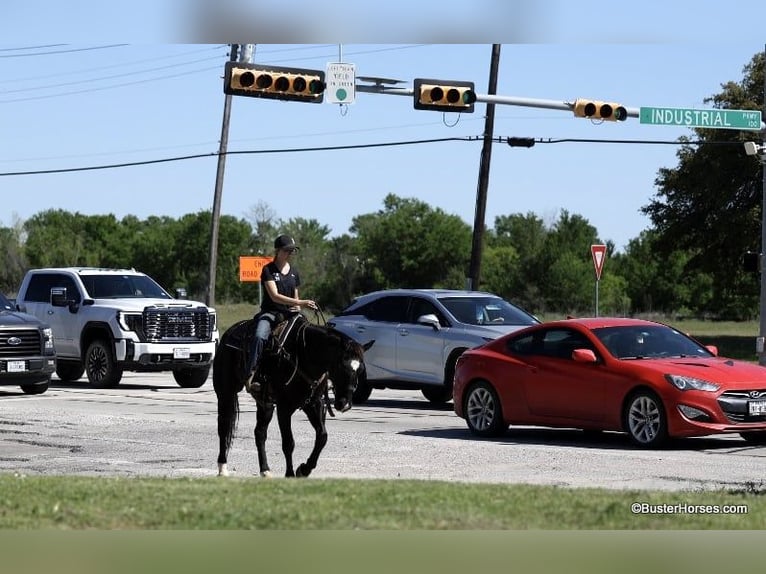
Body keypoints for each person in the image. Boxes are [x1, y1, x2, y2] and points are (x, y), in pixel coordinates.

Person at [246, 234, 317, 390]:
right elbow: (275, 296)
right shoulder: (268, 270)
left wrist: (300, 307)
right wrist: (301, 303)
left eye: (292, 251)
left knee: (309, 335)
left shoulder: (294, 272)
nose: (289, 253)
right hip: (271, 313)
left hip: (290, 315)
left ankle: (312, 374)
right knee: (259, 336)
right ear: (278, 251)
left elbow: (295, 296)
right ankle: (251, 373)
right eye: (287, 250)